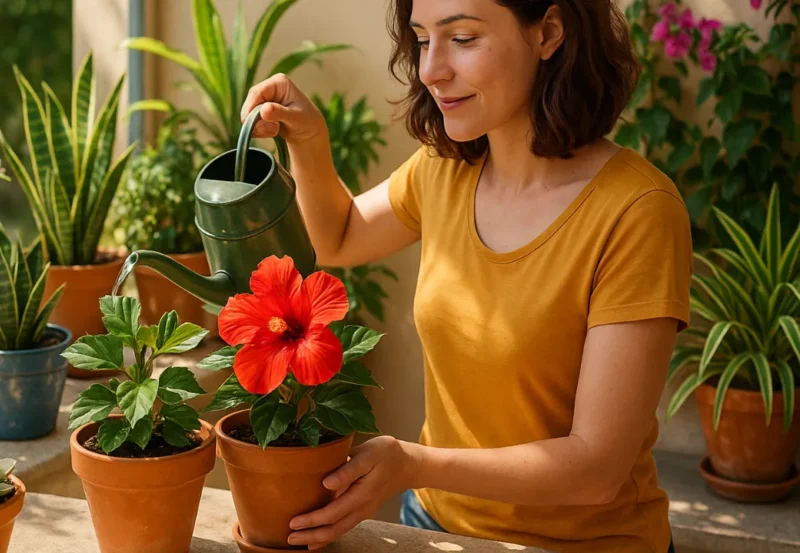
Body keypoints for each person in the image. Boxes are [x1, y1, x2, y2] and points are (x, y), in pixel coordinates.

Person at [239, 0, 691, 552]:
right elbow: (340, 236)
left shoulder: (637, 211)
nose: (431, 69)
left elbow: (597, 470)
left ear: (548, 32)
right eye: (423, 40)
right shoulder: (445, 168)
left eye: (463, 38)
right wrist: (307, 141)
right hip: (433, 524)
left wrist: (412, 463)